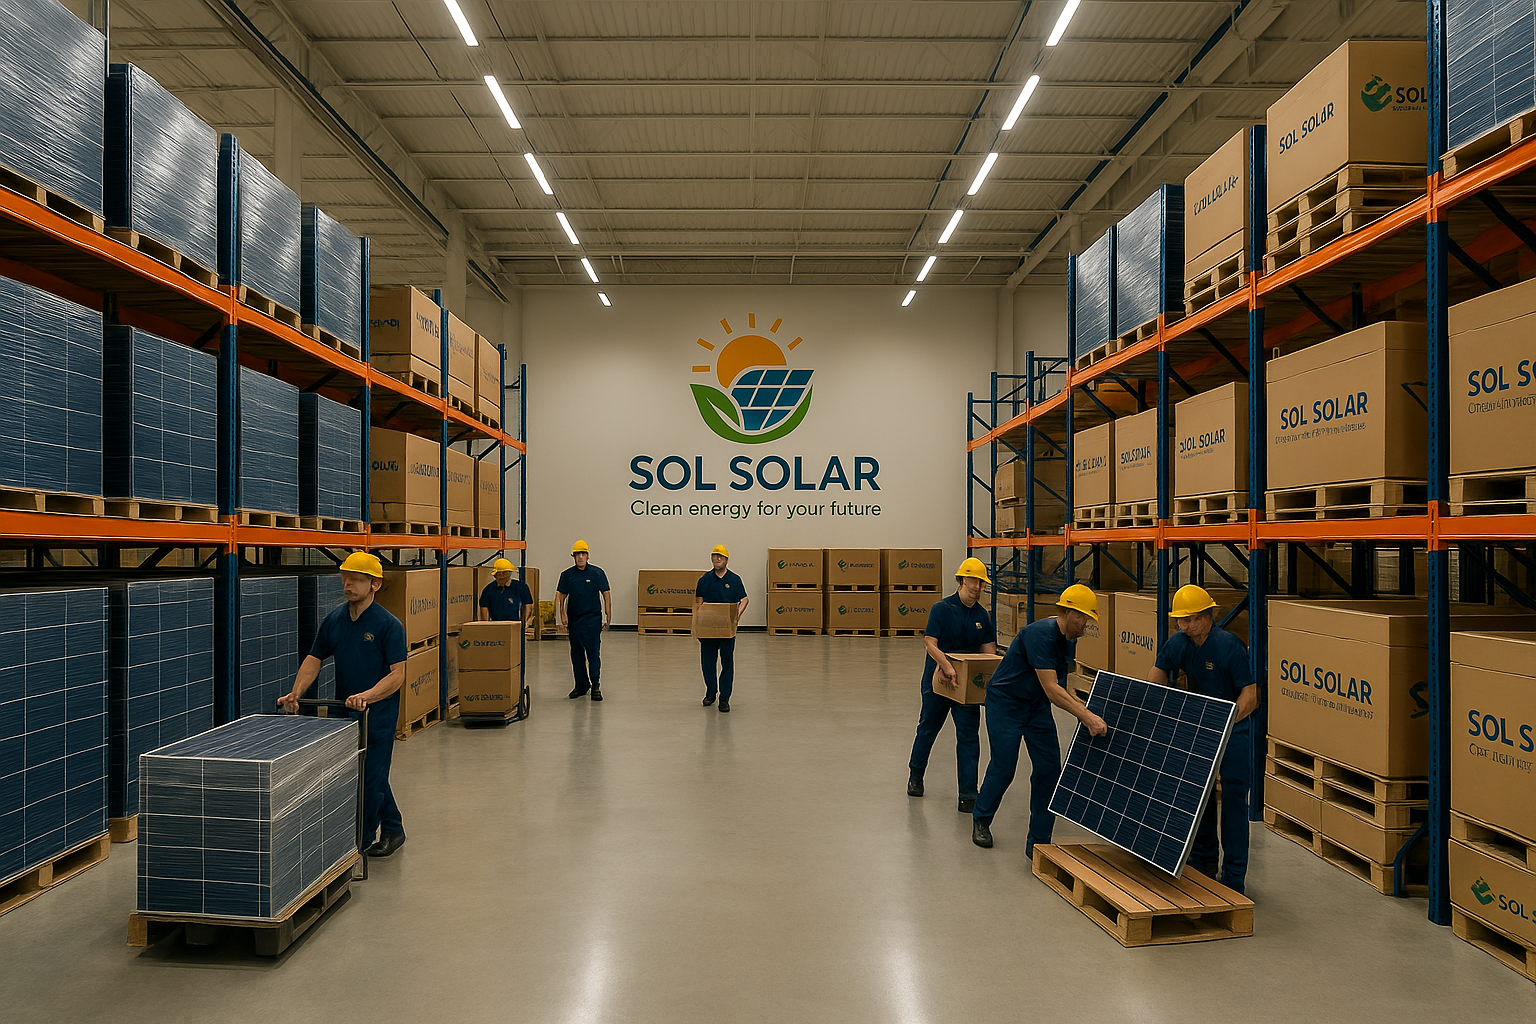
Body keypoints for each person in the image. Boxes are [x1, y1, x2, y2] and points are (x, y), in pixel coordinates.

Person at [278, 551, 410, 858]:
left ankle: (358, 844)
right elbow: (314, 658)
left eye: (356, 580)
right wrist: (295, 693)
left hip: (377, 714)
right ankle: (394, 828)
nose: (348, 585)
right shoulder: (335, 620)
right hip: (344, 710)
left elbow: (397, 675)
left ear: (375, 584)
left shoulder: (388, 625)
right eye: (345, 578)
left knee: (371, 778)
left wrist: (368, 696)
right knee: (358, 773)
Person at [973, 583, 1108, 856]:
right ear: (1071, 614)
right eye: (1085, 618)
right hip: (1006, 704)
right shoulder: (1041, 634)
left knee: (1048, 770)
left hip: (1035, 707)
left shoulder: (1068, 640)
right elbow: (1051, 688)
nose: (1087, 625)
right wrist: (1086, 716)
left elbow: (1061, 683)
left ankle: (1038, 841)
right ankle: (981, 818)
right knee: (1004, 766)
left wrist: (1084, 704)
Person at [1150, 584, 1260, 893]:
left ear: (1207, 617)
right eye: (1180, 620)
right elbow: (1157, 674)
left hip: (1234, 731)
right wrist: (1159, 708)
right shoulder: (1179, 643)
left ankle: (1234, 879)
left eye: (1190, 620)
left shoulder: (1229, 646)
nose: (1184, 626)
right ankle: (1204, 865)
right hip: (1200, 729)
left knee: (1234, 802)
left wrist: (1224, 724)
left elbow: (1250, 695)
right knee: (1200, 798)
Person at [907, 558, 996, 812]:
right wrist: (946, 665)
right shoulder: (942, 609)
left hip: (966, 686)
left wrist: (990, 674)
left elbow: (988, 651)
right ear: (961, 580)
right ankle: (915, 776)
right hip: (938, 680)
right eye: (973, 581)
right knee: (928, 728)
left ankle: (968, 794)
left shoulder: (982, 616)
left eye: (981, 583)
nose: (977, 587)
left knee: (968, 736)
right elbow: (930, 642)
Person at [694, 544, 749, 711]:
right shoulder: (704, 580)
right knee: (708, 663)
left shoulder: (734, 580)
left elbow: (744, 599)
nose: (717, 559)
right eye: (714, 556)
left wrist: (737, 615)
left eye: (720, 556)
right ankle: (711, 692)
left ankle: (724, 698)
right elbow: (698, 602)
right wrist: (698, 623)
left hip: (727, 630)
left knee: (727, 663)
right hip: (708, 630)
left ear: (726, 559)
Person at [557, 539, 611, 701]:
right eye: (577, 554)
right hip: (574, 620)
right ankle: (581, 685)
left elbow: (606, 593)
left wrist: (608, 613)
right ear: (573, 556)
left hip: (592, 619)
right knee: (577, 654)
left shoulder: (597, 573)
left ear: (588, 556)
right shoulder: (567, 575)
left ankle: (595, 685)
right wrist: (562, 615)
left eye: (583, 554)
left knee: (593, 653)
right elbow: (561, 596)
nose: (580, 557)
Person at [479, 557, 535, 631]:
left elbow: (528, 605)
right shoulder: (488, 590)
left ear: (509, 573)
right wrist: (487, 626)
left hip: (515, 625)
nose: (502, 576)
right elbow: (484, 608)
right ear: (495, 575)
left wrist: (524, 623)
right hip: (495, 626)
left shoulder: (521, 587)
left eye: (505, 574)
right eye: (499, 575)